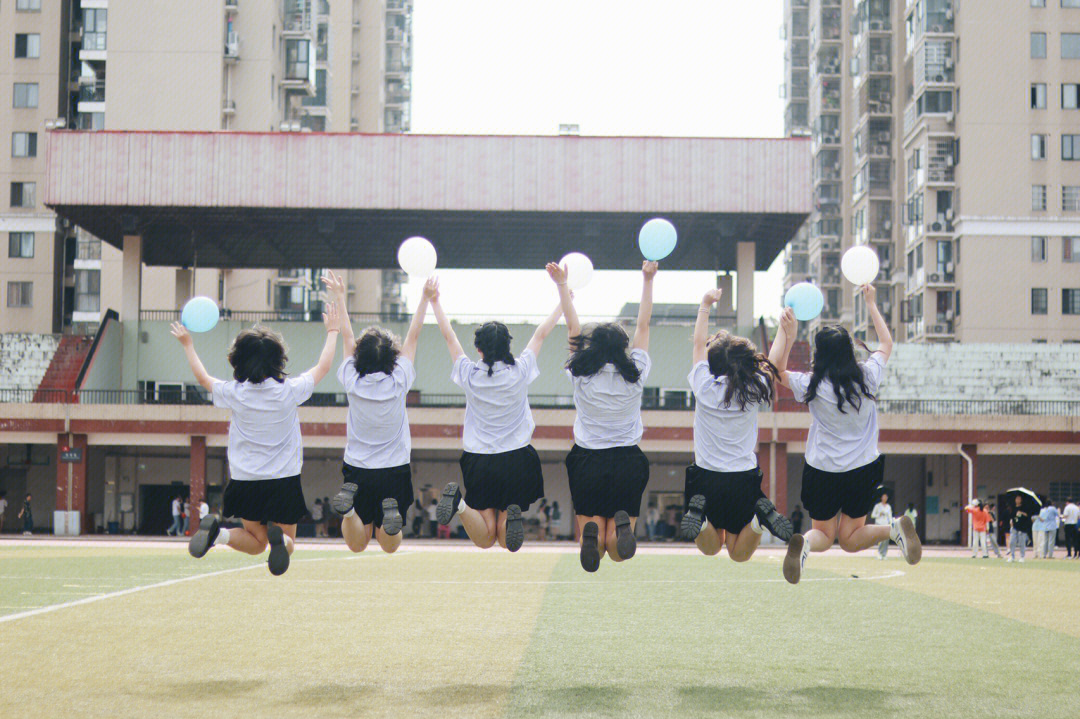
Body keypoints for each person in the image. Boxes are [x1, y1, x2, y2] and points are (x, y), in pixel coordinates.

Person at [176, 300, 340, 576]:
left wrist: (187, 344)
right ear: (278, 360)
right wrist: (332, 331)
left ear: (237, 360)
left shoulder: (235, 393)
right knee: (286, 542)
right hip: (283, 479)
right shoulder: (290, 391)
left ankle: (219, 535)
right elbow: (323, 367)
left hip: (245, 480)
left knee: (254, 543)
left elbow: (203, 378)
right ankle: (280, 540)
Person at [774, 285, 920, 584]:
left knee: (825, 536)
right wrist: (870, 303)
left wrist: (788, 335)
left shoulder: (812, 384)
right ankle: (893, 530)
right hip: (862, 469)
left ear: (820, 354)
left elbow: (777, 371)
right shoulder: (868, 376)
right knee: (851, 539)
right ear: (848, 351)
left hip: (823, 469)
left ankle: (805, 544)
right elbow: (887, 342)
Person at [431, 277, 562, 552]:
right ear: (508, 347)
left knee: (485, 538)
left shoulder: (469, 374)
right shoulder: (520, 370)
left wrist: (434, 301)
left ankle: (460, 504)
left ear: (479, 349)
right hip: (516, 458)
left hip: (479, 461)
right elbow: (541, 333)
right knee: (505, 541)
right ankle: (511, 512)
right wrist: (564, 300)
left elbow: (449, 336)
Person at [550, 260, 656, 572]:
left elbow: (572, 328)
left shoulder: (580, 372)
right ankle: (619, 529)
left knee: (595, 542)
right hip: (627, 459)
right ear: (624, 349)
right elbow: (644, 325)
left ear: (591, 347)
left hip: (587, 460)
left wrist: (561, 285)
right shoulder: (635, 372)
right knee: (617, 551)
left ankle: (590, 536)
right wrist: (648, 279)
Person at [679, 289, 793, 563]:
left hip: (706, 477)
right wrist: (784, 330)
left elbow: (697, 345)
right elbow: (775, 364)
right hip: (743, 479)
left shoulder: (704, 385)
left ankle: (701, 518)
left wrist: (705, 304)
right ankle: (758, 520)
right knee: (738, 553)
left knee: (710, 547)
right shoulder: (754, 388)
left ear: (713, 364)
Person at [323, 271, 429, 556]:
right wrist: (424, 299)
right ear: (393, 358)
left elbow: (347, 335)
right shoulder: (399, 381)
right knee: (389, 545)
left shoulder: (352, 381)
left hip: (358, 468)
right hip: (394, 469)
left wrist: (340, 296)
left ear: (360, 357)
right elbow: (414, 334)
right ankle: (390, 523)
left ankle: (348, 513)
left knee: (357, 544)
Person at [1007, 494, 1031, 563]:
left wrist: (1021, 513)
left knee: (1021, 543)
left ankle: (1022, 556)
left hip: (1022, 528)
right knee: (1012, 541)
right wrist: (1011, 521)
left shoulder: (1024, 507)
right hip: (1014, 527)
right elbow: (1011, 516)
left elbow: (1027, 516)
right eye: (1016, 499)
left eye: (1019, 499)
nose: (1017, 500)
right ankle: (1012, 556)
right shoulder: (1013, 507)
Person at [870, 492, 892, 560]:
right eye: (883, 496)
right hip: (879, 524)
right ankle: (879, 554)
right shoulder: (877, 506)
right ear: (881, 498)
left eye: (886, 497)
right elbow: (872, 515)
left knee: (886, 540)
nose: (885, 498)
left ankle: (884, 554)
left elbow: (890, 516)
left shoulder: (888, 506)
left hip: (886, 525)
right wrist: (879, 514)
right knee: (880, 539)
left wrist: (891, 523)